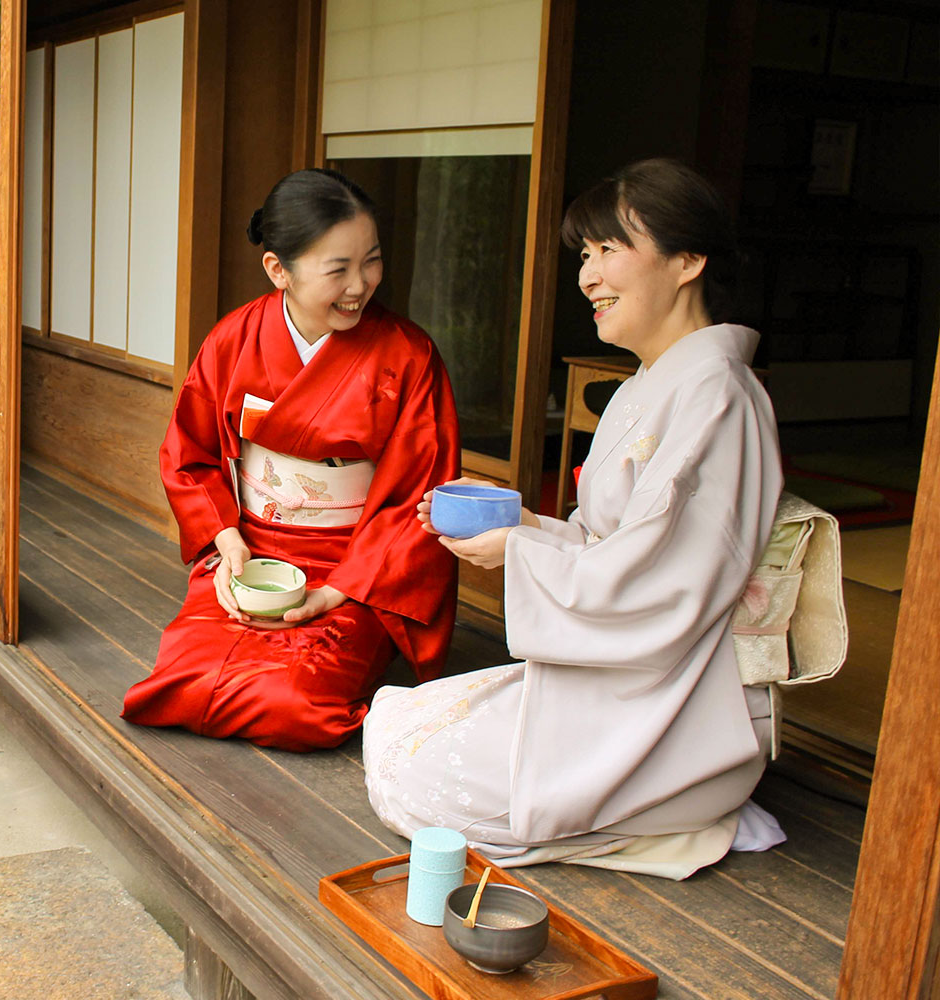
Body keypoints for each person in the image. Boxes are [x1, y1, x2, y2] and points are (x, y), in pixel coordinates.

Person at [363, 158, 784, 874]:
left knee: (420, 779)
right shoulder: (651, 385)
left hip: (675, 697)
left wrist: (519, 553)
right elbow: (605, 545)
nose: (588, 277)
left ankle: (681, 807)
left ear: (688, 260)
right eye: (585, 256)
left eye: (608, 251)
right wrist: (523, 528)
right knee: (393, 720)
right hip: (624, 670)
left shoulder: (719, 396)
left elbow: (666, 587)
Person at [120, 169, 460, 753]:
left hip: (353, 571)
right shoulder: (233, 340)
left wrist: (339, 592)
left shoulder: (408, 356)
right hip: (249, 555)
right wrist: (226, 545)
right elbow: (190, 455)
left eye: (371, 262)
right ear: (279, 269)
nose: (361, 285)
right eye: (338, 269)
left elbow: (420, 497)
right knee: (179, 685)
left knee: (295, 707)